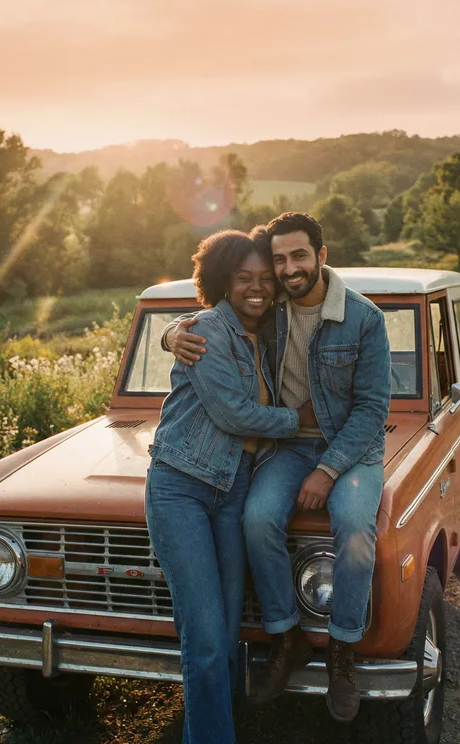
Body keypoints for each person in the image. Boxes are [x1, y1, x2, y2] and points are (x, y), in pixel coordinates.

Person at [164, 213, 392, 723]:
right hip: (286, 446)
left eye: (299, 257)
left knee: (356, 524)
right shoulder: (272, 308)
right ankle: (287, 636)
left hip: (350, 449)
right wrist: (172, 332)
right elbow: (217, 314)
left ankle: (342, 649)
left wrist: (328, 470)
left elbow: (373, 408)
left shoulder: (364, 319)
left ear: (321, 256)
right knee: (257, 519)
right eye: (280, 260)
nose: (288, 269)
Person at [145, 228, 317, 744]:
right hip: (182, 487)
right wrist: (302, 420)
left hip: (233, 489)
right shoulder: (206, 330)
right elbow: (233, 414)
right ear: (223, 281)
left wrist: (166, 330)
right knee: (203, 638)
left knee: (224, 636)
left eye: (266, 279)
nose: (257, 287)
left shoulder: (266, 332)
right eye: (244, 279)